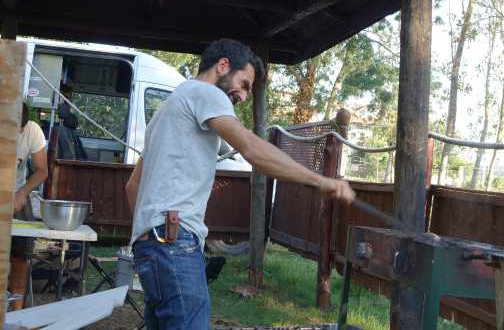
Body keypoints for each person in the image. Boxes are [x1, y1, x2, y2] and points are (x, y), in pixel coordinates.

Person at [126, 39, 355, 330]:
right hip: (173, 242)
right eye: (244, 84)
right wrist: (321, 181)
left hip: (151, 246)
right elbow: (251, 149)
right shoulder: (205, 92)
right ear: (223, 65)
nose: (245, 96)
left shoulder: (166, 111)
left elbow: (132, 187)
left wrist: (148, 234)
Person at [10, 103, 48, 310]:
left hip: (17, 196)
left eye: (19, 130)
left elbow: (42, 170)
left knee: (19, 257)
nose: (16, 134)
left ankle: (16, 314)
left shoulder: (32, 130)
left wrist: (22, 192)